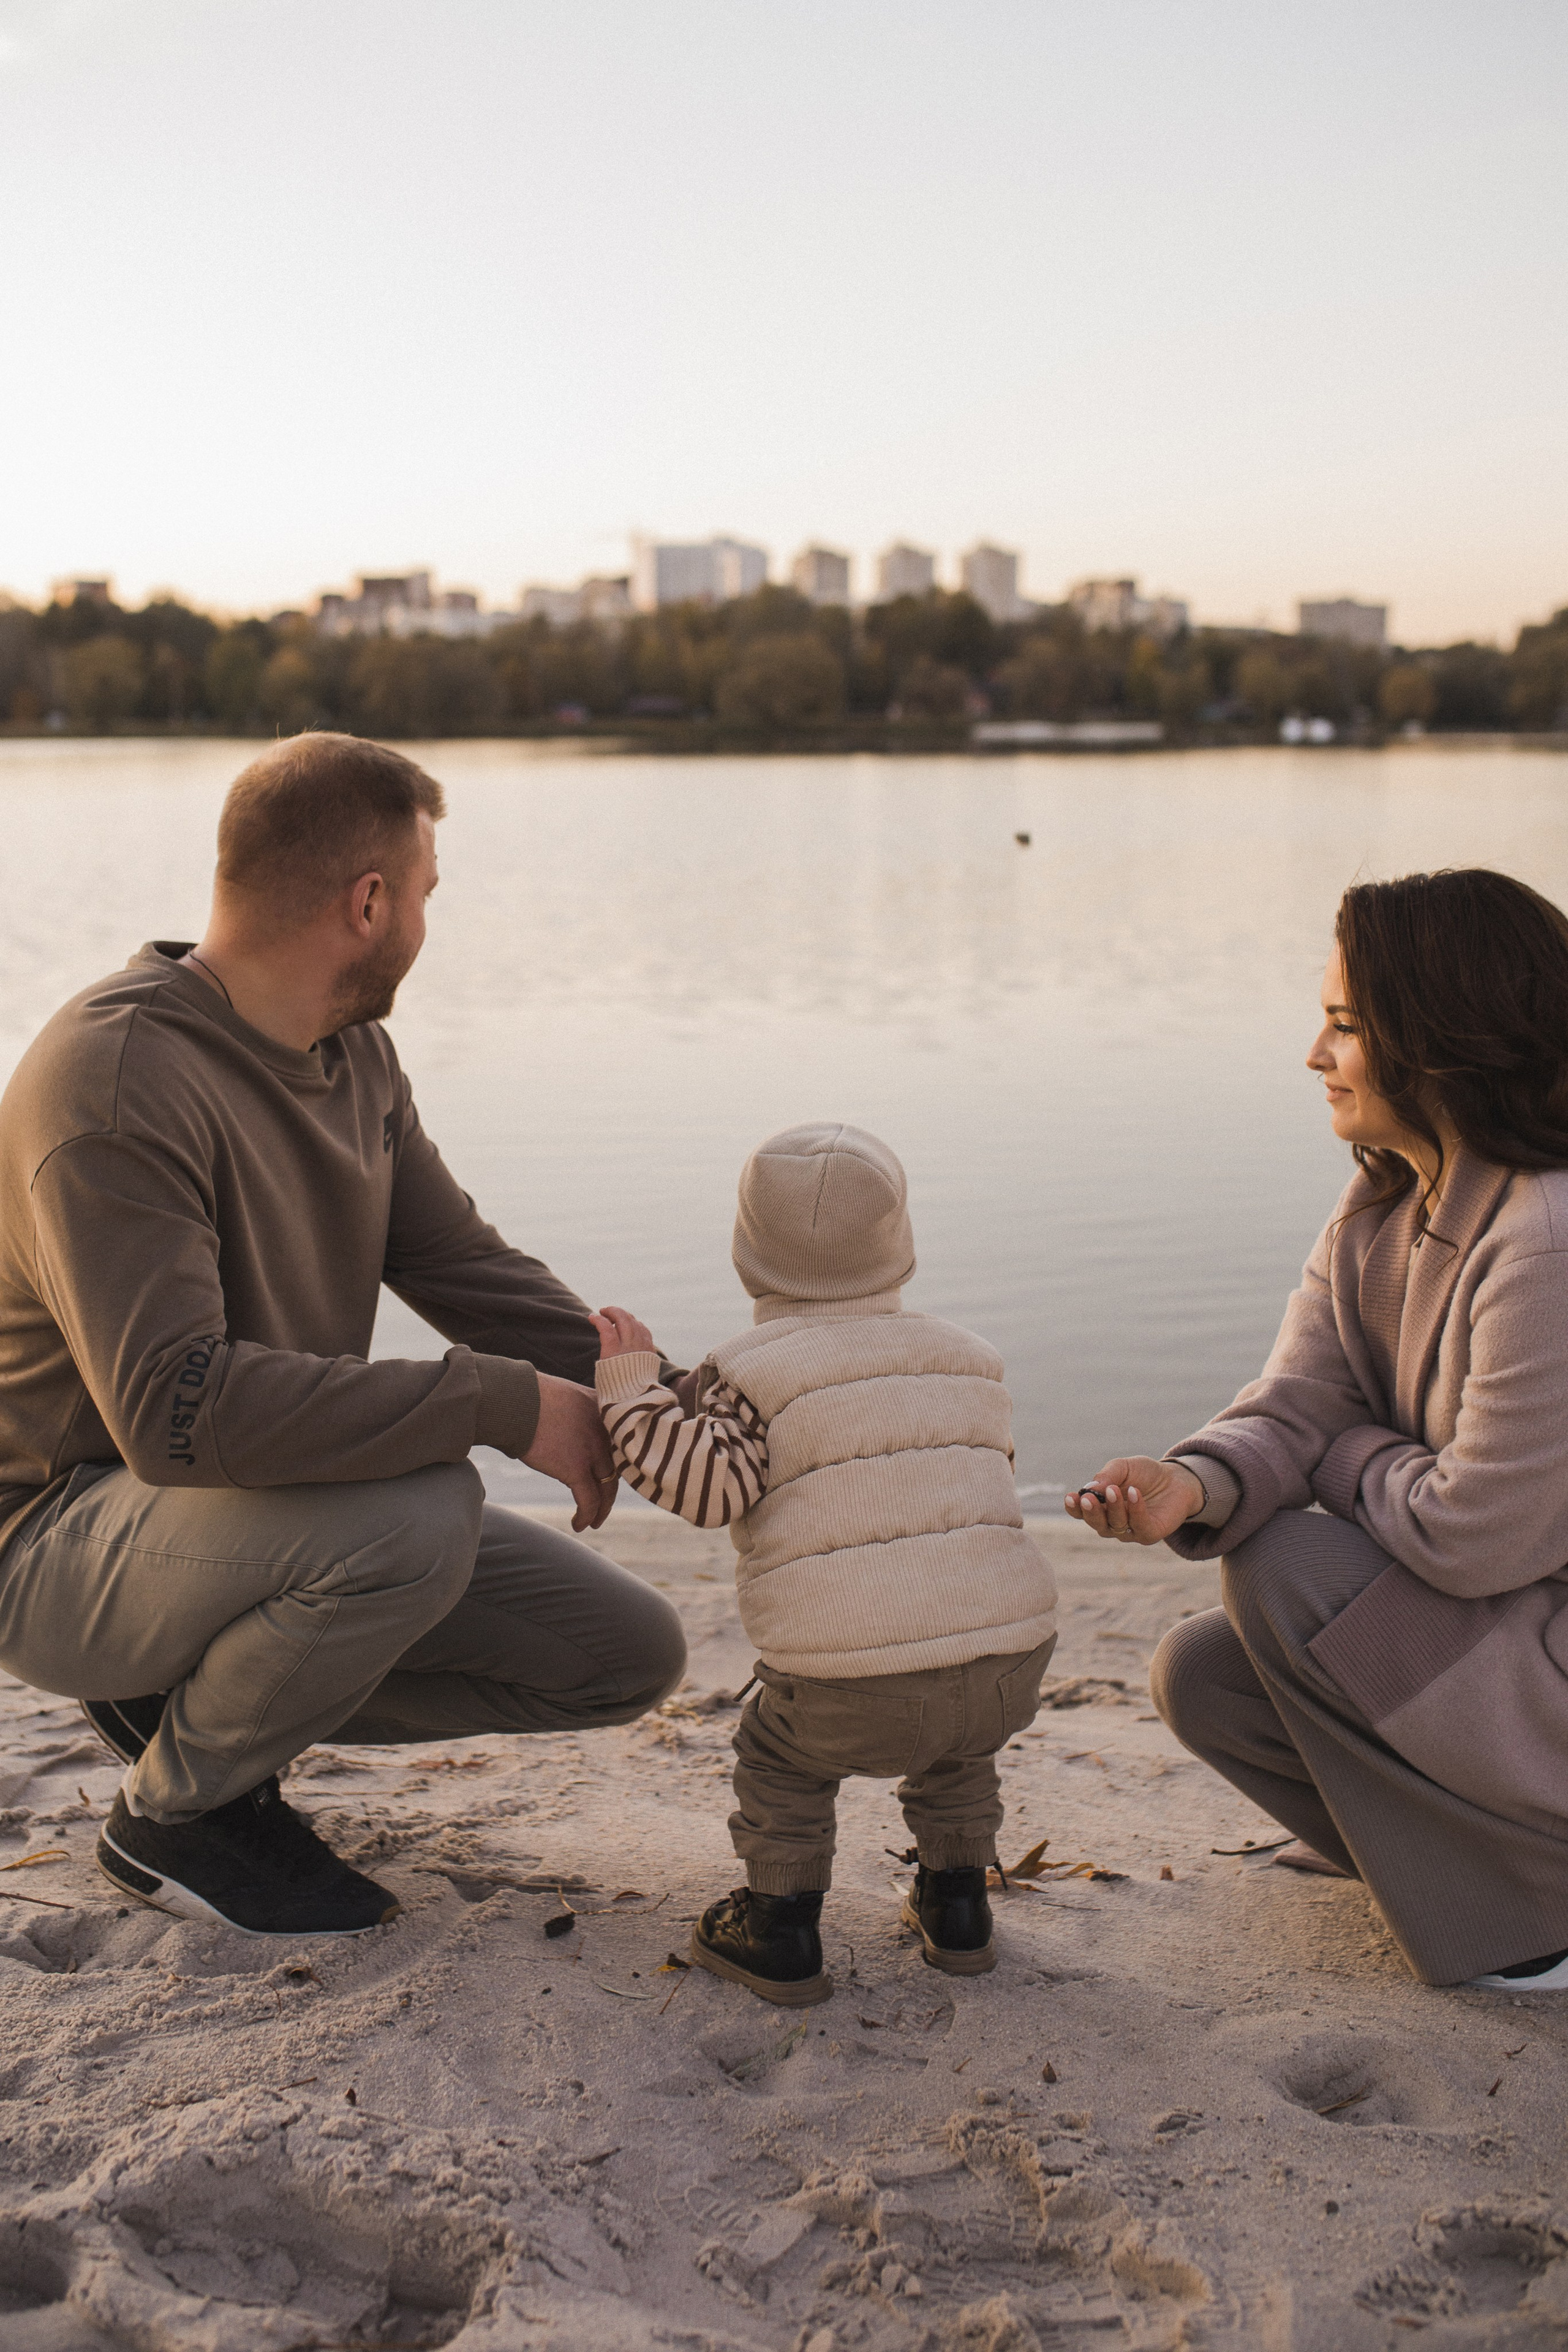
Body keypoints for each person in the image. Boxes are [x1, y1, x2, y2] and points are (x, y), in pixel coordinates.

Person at [0, 733, 685, 1937]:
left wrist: (673, 1404)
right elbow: (178, 1412)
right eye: (425, 891)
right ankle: (180, 1812)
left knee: (622, 1650)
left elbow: (461, 1265)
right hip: (57, 1538)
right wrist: (500, 1405)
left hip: (251, 1516)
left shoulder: (349, 1053)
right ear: (368, 903)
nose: (427, 917)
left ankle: (198, 1700)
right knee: (422, 1507)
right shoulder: (110, 1079)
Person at [1067, 868, 1568, 1991]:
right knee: (1205, 1675)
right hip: (1514, 1649)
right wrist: (1189, 1485)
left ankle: (1536, 1923)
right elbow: (1299, 1397)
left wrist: (1342, 1461)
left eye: (1345, 1025)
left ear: (1443, 1038)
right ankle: (1459, 1865)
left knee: (1288, 1561)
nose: (1314, 1053)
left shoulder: (1545, 1245)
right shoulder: (1387, 1204)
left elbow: (1477, 1536)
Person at [589, 1121, 1058, 2006]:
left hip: (851, 1689)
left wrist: (634, 1391)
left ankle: (780, 1925)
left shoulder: (747, 1371)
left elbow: (704, 1489)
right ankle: (958, 1909)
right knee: (957, 1751)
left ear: (746, 1257)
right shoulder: (972, 1360)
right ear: (902, 1250)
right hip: (1007, 1669)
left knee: (779, 1757)